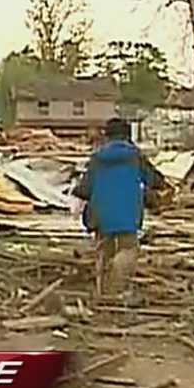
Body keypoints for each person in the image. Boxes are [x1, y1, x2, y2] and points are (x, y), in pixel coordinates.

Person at [71, 117, 166, 302]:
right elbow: (155, 180)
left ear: (107, 136)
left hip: (101, 213)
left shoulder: (97, 158)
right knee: (128, 250)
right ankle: (115, 289)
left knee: (103, 251)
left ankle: (103, 292)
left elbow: (84, 189)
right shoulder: (135, 157)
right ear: (128, 135)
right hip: (128, 213)